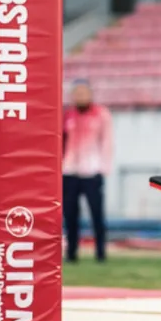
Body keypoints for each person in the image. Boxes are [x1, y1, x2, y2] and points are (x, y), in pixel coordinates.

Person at [62, 80, 113, 263]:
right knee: (70, 215)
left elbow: (107, 142)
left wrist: (104, 167)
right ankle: (71, 252)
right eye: (77, 93)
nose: (80, 96)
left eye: (83, 93)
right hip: (69, 171)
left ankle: (100, 253)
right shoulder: (67, 115)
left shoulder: (101, 114)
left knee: (97, 215)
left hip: (92, 171)